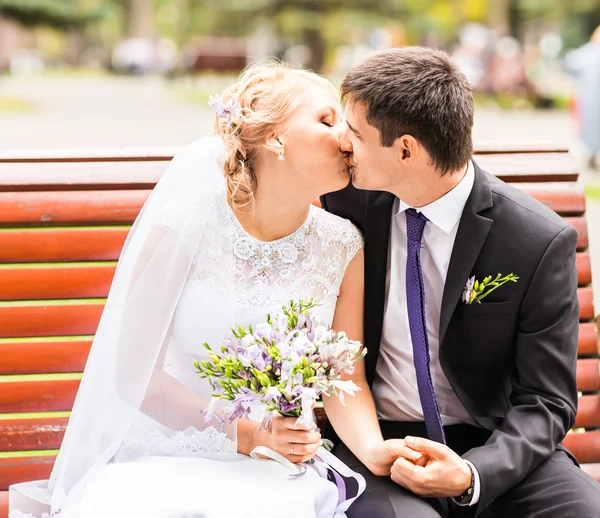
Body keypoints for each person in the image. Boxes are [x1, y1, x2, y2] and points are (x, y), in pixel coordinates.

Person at [8, 63, 407, 518]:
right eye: (327, 119)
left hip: (275, 469)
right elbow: (133, 376)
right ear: (275, 137)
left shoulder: (343, 244)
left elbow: (346, 382)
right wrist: (246, 433)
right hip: (171, 452)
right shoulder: (185, 227)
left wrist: (375, 451)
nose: (346, 137)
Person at [321, 46, 600, 517]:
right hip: (381, 437)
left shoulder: (535, 240)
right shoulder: (347, 200)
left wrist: (474, 475)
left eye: (356, 133)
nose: (344, 144)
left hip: (495, 442)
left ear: (406, 149)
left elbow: (548, 400)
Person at [564, 26, 600, 170]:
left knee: (590, 132)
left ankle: (591, 155)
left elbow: (568, 63)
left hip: (589, 105)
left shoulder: (587, 55)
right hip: (590, 104)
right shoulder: (589, 55)